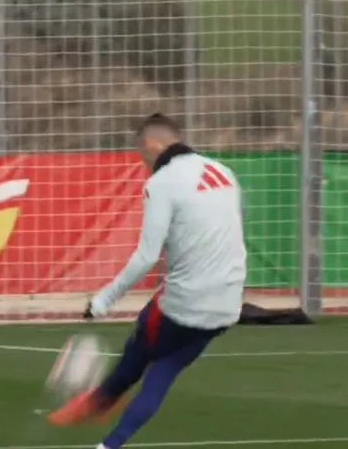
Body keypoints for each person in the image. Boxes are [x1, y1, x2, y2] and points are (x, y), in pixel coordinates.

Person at [48, 113, 248, 449]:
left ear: (152, 144)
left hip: (185, 303)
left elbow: (145, 256)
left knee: (142, 344)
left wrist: (102, 301)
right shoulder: (224, 172)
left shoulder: (162, 182)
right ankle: (108, 439)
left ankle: (101, 400)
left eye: (142, 154)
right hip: (227, 306)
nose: (143, 163)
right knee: (164, 369)